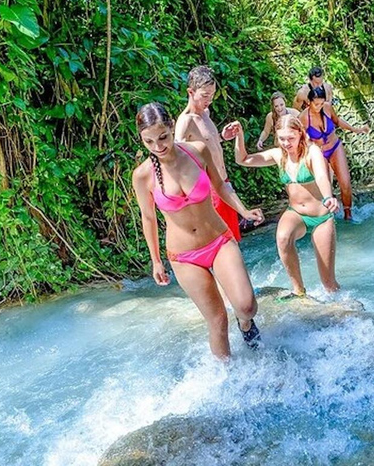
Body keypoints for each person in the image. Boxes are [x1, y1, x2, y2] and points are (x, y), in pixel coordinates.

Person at [132, 102, 264, 359]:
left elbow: (221, 186)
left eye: (163, 137)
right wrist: (156, 261)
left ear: (172, 127)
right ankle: (228, 381)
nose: (158, 146)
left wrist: (244, 211)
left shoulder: (197, 151)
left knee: (246, 307)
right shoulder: (143, 175)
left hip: (218, 239)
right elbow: (148, 218)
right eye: (149, 142)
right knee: (217, 321)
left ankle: (246, 324)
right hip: (184, 256)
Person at [224, 115, 340, 297]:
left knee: (328, 283)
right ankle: (299, 290)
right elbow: (243, 160)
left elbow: (321, 176)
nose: (286, 143)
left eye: (291, 138)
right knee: (283, 237)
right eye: (282, 138)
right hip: (296, 213)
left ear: (301, 134)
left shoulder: (313, 152)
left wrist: (328, 197)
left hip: (321, 217)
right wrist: (239, 135)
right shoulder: (278, 155)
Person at [175, 65, 242, 241]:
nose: (209, 100)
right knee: (220, 243)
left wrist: (222, 136)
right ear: (191, 91)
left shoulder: (206, 113)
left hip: (224, 184)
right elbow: (176, 159)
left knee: (233, 240)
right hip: (210, 190)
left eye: (211, 95)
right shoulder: (185, 121)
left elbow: (205, 145)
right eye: (205, 96)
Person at [299, 85, 368, 221]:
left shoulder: (327, 108)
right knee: (326, 188)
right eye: (316, 104)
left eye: (321, 103)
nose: (319, 107)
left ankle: (348, 215)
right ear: (309, 102)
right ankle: (329, 218)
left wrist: (356, 129)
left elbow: (337, 122)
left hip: (335, 147)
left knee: (345, 183)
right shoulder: (303, 118)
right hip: (319, 153)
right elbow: (302, 140)